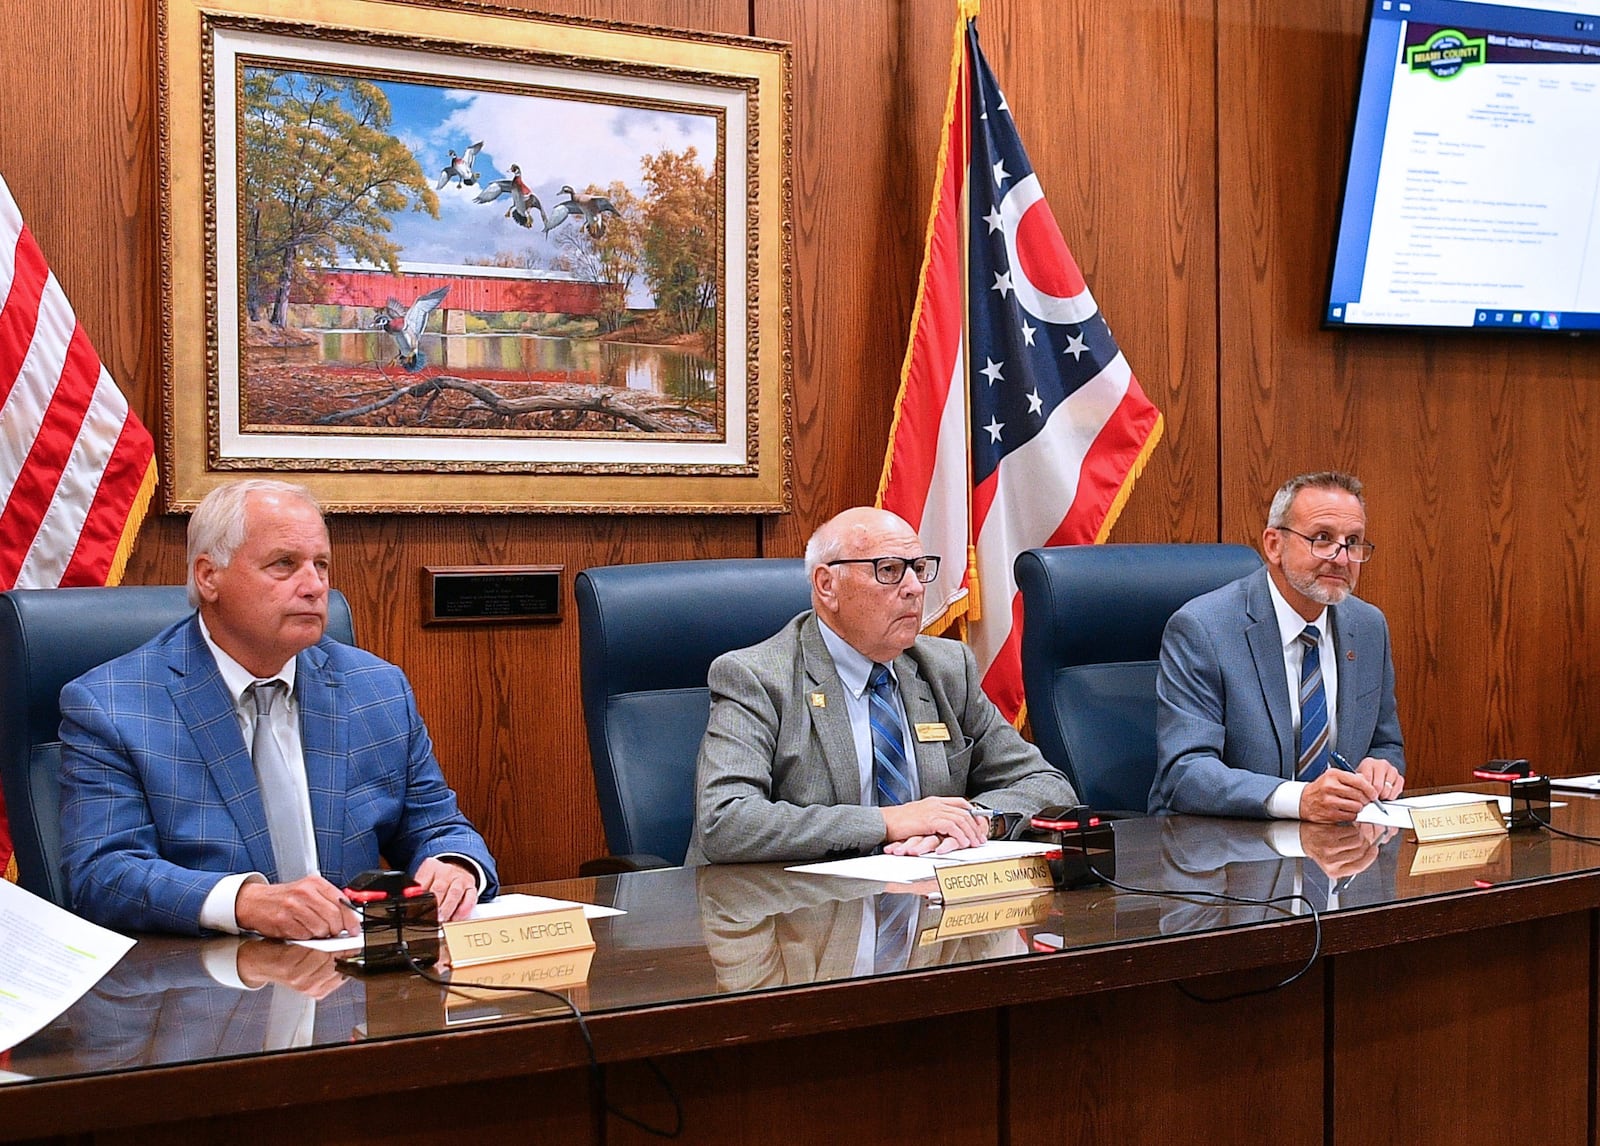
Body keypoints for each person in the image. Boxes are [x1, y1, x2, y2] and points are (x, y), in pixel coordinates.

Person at [60, 479, 498, 939]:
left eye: (321, 565)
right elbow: (102, 873)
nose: (314, 587)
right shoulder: (113, 703)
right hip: (206, 987)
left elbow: (437, 824)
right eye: (284, 565)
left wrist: (454, 865)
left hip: (353, 982)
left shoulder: (375, 687)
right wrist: (243, 902)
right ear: (209, 576)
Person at [685, 506, 1075, 864]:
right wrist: (887, 822)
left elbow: (1047, 785)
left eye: (919, 568)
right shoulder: (757, 676)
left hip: (923, 908)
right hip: (789, 920)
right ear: (826, 585)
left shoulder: (946, 668)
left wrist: (971, 821)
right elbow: (727, 821)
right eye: (888, 570)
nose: (915, 588)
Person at [1148, 471, 1405, 821]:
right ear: (1274, 545)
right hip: (1224, 855)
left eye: (1353, 541)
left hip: (1338, 850)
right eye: (1322, 538)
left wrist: (1381, 767)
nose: (1342, 558)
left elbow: (1385, 743)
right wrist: (1299, 800)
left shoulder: (1369, 626)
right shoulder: (1204, 629)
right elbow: (1185, 772)